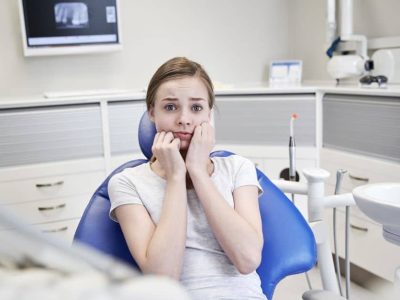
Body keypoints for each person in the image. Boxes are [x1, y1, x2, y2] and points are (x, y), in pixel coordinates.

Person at [108, 57, 267, 300]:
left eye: (196, 107)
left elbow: (248, 260)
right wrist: (175, 178)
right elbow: (163, 279)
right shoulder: (126, 183)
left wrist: (199, 172)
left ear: (209, 113)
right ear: (152, 112)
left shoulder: (238, 168)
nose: (184, 119)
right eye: (170, 107)